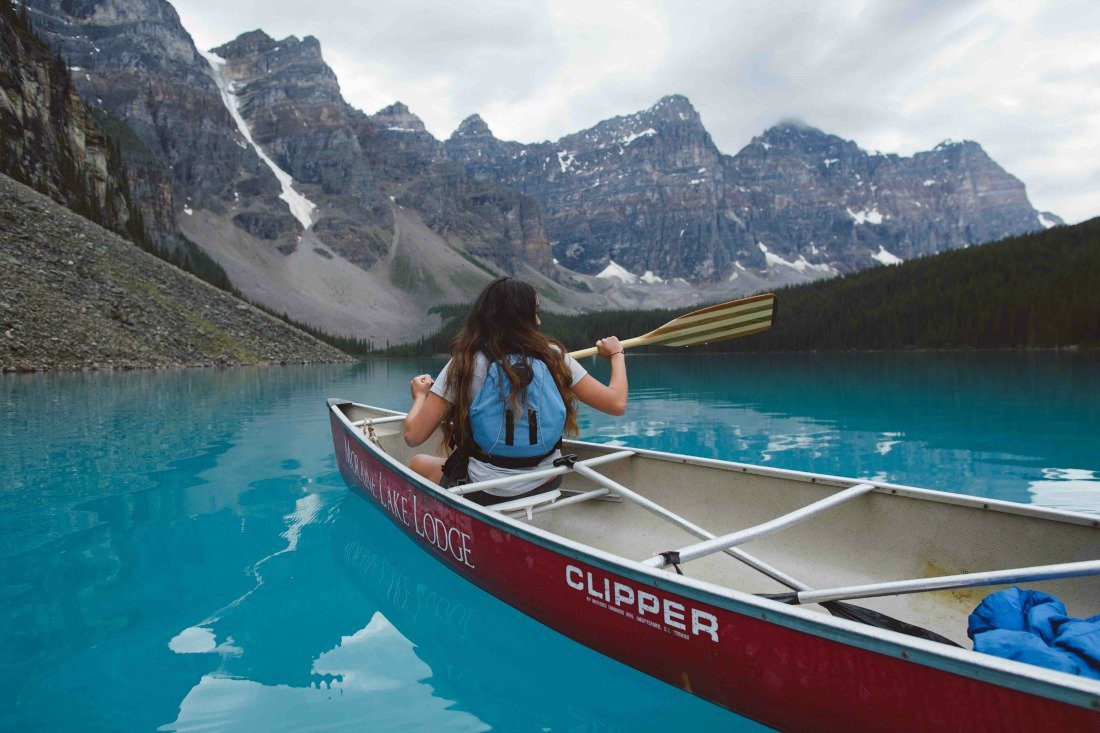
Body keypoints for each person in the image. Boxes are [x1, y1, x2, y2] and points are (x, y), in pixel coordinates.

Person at [404, 276, 628, 506]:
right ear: (526, 318)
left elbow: (413, 436)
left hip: (485, 490)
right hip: (546, 481)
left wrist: (420, 396)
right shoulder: (554, 356)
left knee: (418, 463)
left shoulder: (466, 363)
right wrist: (616, 353)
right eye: (535, 311)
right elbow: (617, 403)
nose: (539, 320)